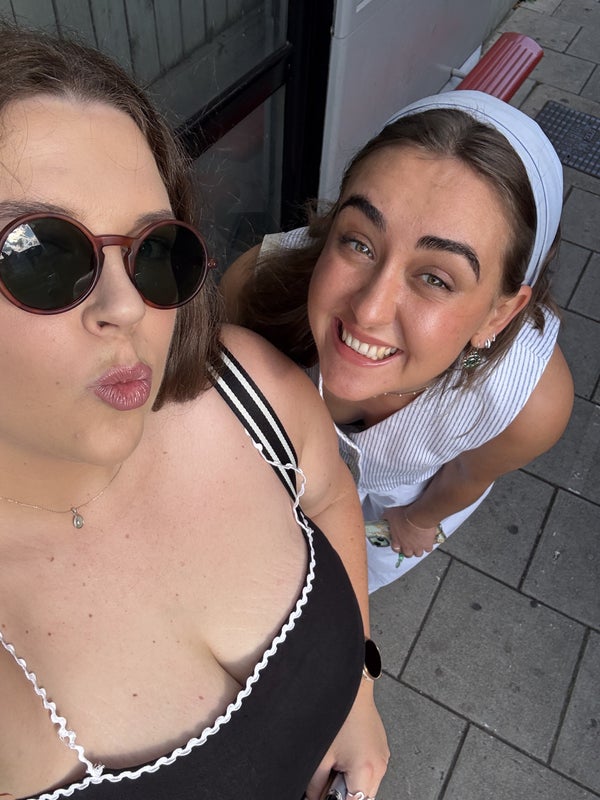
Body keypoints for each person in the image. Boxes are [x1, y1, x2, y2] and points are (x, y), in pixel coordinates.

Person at [0, 24, 389, 800]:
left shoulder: (244, 385)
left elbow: (328, 495)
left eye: (155, 250)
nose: (127, 306)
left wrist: (359, 687)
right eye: (42, 253)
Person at [221, 90, 574, 594]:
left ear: (499, 313)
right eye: (359, 242)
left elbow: (467, 473)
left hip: (396, 501)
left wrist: (418, 518)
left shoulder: (526, 405)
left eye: (435, 279)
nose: (369, 310)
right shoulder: (255, 288)